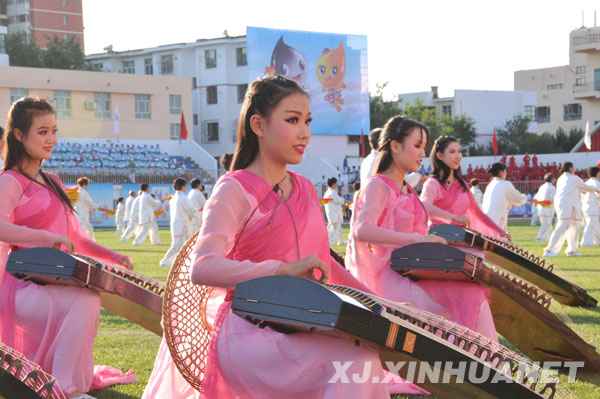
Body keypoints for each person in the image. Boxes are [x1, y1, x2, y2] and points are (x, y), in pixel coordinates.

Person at [143, 75, 395, 399]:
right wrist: (280, 270)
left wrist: (381, 305)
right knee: (350, 361)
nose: (304, 132)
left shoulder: (304, 187)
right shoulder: (233, 188)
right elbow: (203, 268)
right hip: (248, 329)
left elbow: (325, 269)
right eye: (292, 120)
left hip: (302, 319)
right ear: (258, 125)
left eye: (307, 121)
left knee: (362, 356)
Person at [0, 97, 133, 399]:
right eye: (42, 131)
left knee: (87, 296)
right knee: (84, 301)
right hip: (19, 286)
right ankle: (67, 391)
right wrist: (43, 238)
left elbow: (76, 237)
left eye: (54, 130)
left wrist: (114, 257)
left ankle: (64, 386)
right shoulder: (10, 181)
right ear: (19, 135)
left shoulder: (54, 181)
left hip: (51, 278)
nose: (51, 139)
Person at [345, 116, 497, 341]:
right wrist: (417, 239)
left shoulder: (406, 188)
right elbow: (362, 230)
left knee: (472, 292)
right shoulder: (378, 184)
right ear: (395, 146)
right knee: (467, 296)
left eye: (424, 147)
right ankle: (484, 365)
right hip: (389, 278)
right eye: (417, 146)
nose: (422, 154)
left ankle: (489, 365)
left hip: (413, 270)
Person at [420, 136, 505, 237]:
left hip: (460, 236)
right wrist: (454, 217)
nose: (458, 156)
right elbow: (425, 206)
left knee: (481, 252)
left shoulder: (462, 184)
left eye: (459, 151)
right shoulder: (432, 183)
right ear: (439, 155)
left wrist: (501, 232)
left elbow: (478, 213)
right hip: (439, 237)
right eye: (452, 152)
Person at [544, 162, 598, 257]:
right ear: (570, 169)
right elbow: (585, 187)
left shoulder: (562, 178)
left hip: (568, 205)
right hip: (568, 205)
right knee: (562, 226)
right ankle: (549, 250)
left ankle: (572, 250)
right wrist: (596, 189)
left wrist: (584, 190)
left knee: (574, 227)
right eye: (573, 168)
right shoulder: (574, 178)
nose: (574, 170)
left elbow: (576, 188)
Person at [160, 178, 196, 268]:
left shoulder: (173, 198)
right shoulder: (183, 198)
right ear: (183, 186)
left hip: (177, 224)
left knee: (180, 245)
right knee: (177, 245)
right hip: (182, 225)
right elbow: (191, 210)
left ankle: (178, 262)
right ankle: (165, 261)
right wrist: (195, 215)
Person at [481, 162, 527, 232]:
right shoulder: (505, 184)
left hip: (486, 220)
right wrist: (524, 198)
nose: (506, 173)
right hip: (496, 221)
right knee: (499, 241)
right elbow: (519, 200)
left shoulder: (490, 185)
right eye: (505, 171)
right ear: (501, 172)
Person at [323, 177, 346, 246]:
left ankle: (341, 241)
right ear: (333, 184)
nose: (336, 185)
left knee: (338, 229)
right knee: (334, 230)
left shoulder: (328, 192)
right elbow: (338, 201)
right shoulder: (332, 192)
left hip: (333, 213)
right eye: (336, 183)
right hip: (334, 214)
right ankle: (330, 244)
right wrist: (343, 199)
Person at [581, 167, 600, 247]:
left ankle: (598, 241)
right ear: (597, 173)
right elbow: (598, 194)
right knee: (590, 225)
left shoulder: (587, 182)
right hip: (593, 206)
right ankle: (585, 243)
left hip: (585, 206)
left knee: (595, 225)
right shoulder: (596, 183)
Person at [535, 173, 557, 242]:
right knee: (546, 224)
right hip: (547, 208)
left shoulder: (542, 187)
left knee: (548, 224)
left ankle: (549, 237)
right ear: (551, 179)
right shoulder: (552, 188)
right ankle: (540, 237)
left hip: (541, 208)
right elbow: (552, 198)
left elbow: (537, 197)